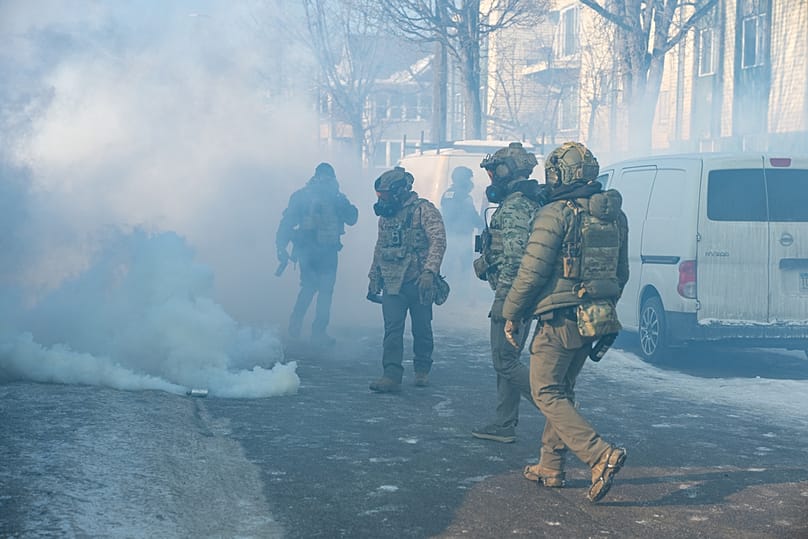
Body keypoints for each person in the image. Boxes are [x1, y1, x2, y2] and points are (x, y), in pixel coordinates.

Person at [501, 141, 629, 502]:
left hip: (560, 318)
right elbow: (622, 272)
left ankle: (599, 454)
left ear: (559, 174)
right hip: (596, 317)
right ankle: (550, 466)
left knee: (545, 391)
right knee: (562, 389)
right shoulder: (615, 216)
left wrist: (513, 313)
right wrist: (602, 306)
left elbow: (530, 273)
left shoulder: (555, 213)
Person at [471, 142, 546, 444]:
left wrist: (506, 303)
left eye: (492, 173)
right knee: (508, 358)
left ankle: (561, 411)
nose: (490, 180)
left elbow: (516, 260)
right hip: (520, 292)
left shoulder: (515, 205)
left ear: (506, 172)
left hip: (513, 294)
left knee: (504, 360)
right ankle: (504, 423)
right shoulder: (525, 202)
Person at [367, 166, 446, 393]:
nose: (383, 200)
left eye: (386, 195)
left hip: (419, 280)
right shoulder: (386, 216)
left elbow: (438, 241)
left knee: (422, 328)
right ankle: (391, 374)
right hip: (393, 282)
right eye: (380, 196)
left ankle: (422, 369)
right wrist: (374, 276)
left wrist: (430, 272)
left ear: (400, 191)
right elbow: (380, 246)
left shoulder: (424, 211)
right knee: (392, 329)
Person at [276, 162, 358, 345]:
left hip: (324, 250)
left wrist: (281, 246)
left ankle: (307, 327)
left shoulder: (310, 196)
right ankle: (309, 328)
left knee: (316, 289)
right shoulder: (307, 197)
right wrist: (280, 246)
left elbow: (352, 218)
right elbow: (288, 221)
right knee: (317, 289)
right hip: (311, 250)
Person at [440, 166, 483, 291]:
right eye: (468, 178)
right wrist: (483, 225)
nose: (470, 182)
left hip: (448, 236)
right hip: (462, 237)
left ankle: (447, 292)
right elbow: (472, 215)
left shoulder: (447, 194)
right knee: (465, 267)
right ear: (462, 179)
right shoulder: (464, 197)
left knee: (448, 265)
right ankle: (461, 293)